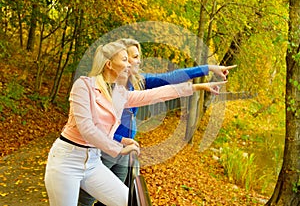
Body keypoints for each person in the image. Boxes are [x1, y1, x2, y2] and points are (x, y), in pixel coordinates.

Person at [77, 39, 236, 206]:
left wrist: (209, 70)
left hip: (126, 152)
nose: (139, 61)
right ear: (119, 58)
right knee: (85, 200)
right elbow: (94, 126)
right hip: (105, 148)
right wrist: (118, 142)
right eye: (133, 57)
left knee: (112, 200)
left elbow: (172, 78)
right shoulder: (104, 86)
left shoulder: (138, 81)